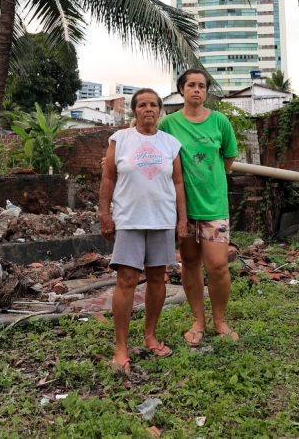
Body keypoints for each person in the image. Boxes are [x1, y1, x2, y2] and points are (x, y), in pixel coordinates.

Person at [99, 88, 188, 377]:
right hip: (129, 220)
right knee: (125, 279)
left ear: (160, 111)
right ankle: (121, 347)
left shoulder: (170, 144)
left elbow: (177, 184)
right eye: (142, 105)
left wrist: (182, 219)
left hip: (162, 219)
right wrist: (104, 213)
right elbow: (108, 177)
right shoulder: (120, 139)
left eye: (153, 105)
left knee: (157, 278)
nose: (148, 109)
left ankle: (150, 336)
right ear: (134, 110)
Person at [159, 69, 239, 346]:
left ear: (206, 91)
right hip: (182, 208)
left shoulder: (220, 121)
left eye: (202, 86)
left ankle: (220, 320)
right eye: (191, 85)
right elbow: (157, 155)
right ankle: (198, 320)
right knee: (190, 263)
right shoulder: (168, 124)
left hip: (214, 206)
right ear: (181, 90)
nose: (197, 90)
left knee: (217, 266)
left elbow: (228, 158)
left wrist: (210, 180)